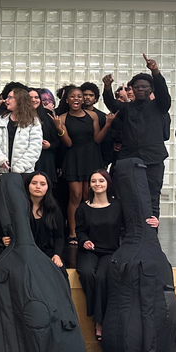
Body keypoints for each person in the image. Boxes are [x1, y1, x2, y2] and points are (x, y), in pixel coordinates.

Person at [103, 54, 172, 216]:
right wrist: (107, 88)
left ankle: (151, 233)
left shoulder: (160, 106)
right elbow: (111, 104)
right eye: (137, 87)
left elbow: (163, 92)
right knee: (128, 196)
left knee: (152, 195)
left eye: (144, 87)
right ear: (132, 89)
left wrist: (155, 71)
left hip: (153, 159)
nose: (140, 89)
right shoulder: (127, 108)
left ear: (151, 89)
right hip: (129, 158)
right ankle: (130, 231)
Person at [52, 87, 113, 241]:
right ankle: (72, 232)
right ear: (67, 100)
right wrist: (60, 129)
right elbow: (68, 143)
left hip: (92, 156)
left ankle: (87, 231)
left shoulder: (92, 115)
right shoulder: (63, 118)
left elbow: (97, 139)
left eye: (79, 96)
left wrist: (107, 124)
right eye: (72, 96)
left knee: (88, 196)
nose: (77, 99)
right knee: (75, 196)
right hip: (74, 157)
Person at [74, 169, 123, 339]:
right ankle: (99, 314)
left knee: (102, 277)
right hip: (90, 250)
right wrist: (84, 241)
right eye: (93, 181)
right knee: (87, 274)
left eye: (101, 181)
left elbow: (127, 227)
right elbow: (79, 232)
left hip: (111, 251)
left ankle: (99, 322)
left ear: (108, 183)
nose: (97, 184)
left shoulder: (118, 206)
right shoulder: (83, 208)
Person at [2, 172, 65, 269]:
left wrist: (57, 255)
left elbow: (59, 237)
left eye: (42, 184)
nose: (38, 187)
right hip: (22, 252)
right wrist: (5, 239)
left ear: (48, 187)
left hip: (46, 252)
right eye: (34, 183)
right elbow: (9, 232)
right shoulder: (19, 208)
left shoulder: (54, 209)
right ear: (28, 186)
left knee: (58, 272)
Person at [0, 86, 43, 181]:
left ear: (19, 100)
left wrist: (19, 167)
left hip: (24, 172)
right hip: (3, 171)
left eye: (10, 97)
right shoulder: (0, 120)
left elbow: (35, 147)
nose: (6, 100)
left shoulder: (33, 121)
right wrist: (0, 159)